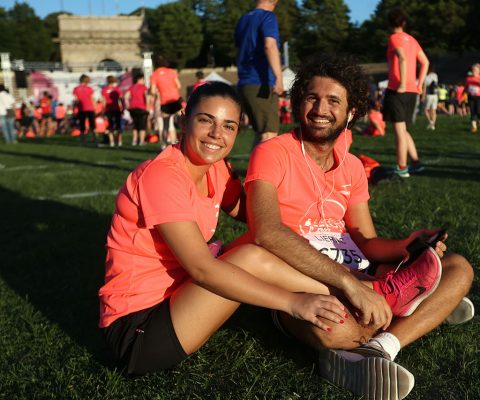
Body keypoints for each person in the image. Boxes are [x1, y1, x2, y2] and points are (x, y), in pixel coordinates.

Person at [237, 53, 474, 400]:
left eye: (333, 100)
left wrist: (407, 244)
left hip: (364, 272)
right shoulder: (273, 152)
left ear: (350, 113)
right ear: (299, 103)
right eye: (312, 98)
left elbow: (366, 239)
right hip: (305, 280)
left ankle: (382, 345)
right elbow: (267, 232)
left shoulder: (350, 166)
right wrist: (351, 286)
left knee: (459, 267)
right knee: (335, 330)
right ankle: (420, 309)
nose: (320, 108)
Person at [98, 81, 347, 376]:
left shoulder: (217, 168)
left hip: (179, 297)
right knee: (249, 256)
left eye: (228, 126)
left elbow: (253, 215)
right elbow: (202, 269)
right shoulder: (162, 176)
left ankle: (347, 294)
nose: (217, 134)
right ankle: (346, 294)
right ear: (183, 120)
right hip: (138, 330)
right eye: (206, 120)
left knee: (260, 240)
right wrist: (294, 302)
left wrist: (310, 209)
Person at [382, 7, 429, 178]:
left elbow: (401, 57)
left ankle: (402, 168)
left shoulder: (394, 38)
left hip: (398, 90)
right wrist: (419, 84)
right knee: (403, 129)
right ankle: (416, 162)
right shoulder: (412, 39)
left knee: (399, 131)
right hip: (411, 91)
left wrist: (401, 83)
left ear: (389, 24)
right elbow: (425, 62)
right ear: (404, 23)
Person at [234, 0, 284, 148]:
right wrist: (279, 77)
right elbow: (270, 45)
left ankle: (253, 170)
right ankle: (262, 171)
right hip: (260, 82)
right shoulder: (268, 17)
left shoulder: (243, 19)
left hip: (245, 82)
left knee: (261, 133)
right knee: (269, 134)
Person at [150, 55, 183, 148]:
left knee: (165, 125)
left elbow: (152, 91)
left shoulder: (154, 75)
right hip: (175, 100)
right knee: (184, 121)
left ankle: (163, 145)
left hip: (165, 102)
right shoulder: (172, 72)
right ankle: (179, 142)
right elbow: (179, 85)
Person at [125, 72, 150, 146]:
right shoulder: (143, 87)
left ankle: (134, 141)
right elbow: (147, 97)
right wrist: (148, 107)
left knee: (135, 125)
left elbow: (126, 97)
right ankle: (141, 141)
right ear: (141, 79)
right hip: (142, 108)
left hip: (132, 108)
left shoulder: (131, 87)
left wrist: (128, 105)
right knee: (142, 125)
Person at [465, 63, 480, 133]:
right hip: (471, 97)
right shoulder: (468, 78)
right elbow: (466, 88)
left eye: (475, 70)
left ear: (479, 71)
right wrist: (463, 95)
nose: (473, 71)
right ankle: (474, 127)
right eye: (472, 70)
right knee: (472, 112)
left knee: (478, 111)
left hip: (479, 97)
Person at [73, 74, 96, 145]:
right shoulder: (89, 88)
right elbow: (92, 99)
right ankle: (95, 141)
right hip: (90, 109)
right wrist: (95, 108)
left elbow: (76, 100)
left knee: (82, 126)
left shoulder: (76, 89)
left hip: (81, 109)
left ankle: (83, 142)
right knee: (92, 126)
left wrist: (75, 108)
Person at [101, 75, 124, 147]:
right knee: (118, 125)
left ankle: (112, 142)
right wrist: (122, 108)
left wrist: (103, 111)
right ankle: (119, 141)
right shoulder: (117, 89)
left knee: (110, 125)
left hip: (108, 109)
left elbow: (103, 101)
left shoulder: (104, 90)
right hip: (116, 109)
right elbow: (121, 100)